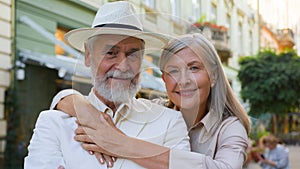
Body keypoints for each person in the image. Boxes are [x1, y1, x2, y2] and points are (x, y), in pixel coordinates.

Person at [24, 1, 191, 169]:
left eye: (133, 55)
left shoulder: (170, 122)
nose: (123, 66)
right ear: (88, 56)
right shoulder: (54, 123)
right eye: (111, 53)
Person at [54, 33, 251, 169]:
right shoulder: (154, 112)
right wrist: (88, 113)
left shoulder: (230, 128)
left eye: (194, 68)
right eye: (173, 71)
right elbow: (62, 100)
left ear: (213, 76)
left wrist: (121, 144)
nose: (183, 81)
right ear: (164, 79)